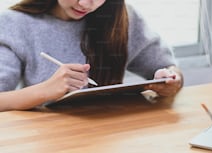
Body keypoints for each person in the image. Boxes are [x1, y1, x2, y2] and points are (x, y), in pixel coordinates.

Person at [0, 0, 183, 111]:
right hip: (48, 145)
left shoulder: (122, 17)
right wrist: (45, 90)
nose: (85, 4)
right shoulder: (14, 23)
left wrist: (170, 81)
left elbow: (169, 68)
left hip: (111, 140)